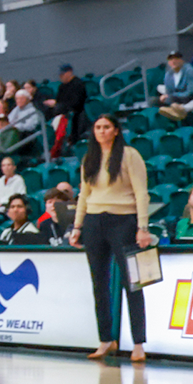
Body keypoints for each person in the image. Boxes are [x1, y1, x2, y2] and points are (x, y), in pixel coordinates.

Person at [68, 114, 153, 362]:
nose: (102, 131)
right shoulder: (89, 158)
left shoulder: (129, 155)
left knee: (132, 283)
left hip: (123, 221)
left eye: (106, 127)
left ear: (116, 130)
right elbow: (83, 195)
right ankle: (106, 340)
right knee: (99, 283)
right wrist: (77, 226)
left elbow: (141, 192)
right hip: (94, 221)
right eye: (98, 127)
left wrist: (143, 227)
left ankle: (138, 343)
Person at [44, 65, 88, 156]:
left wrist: (57, 105)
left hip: (75, 115)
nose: (61, 77)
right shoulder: (62, 87)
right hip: (62, 114)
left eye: (62, 74)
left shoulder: (78, 84)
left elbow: (77, 103)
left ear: (69, 73)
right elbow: (60, 101)